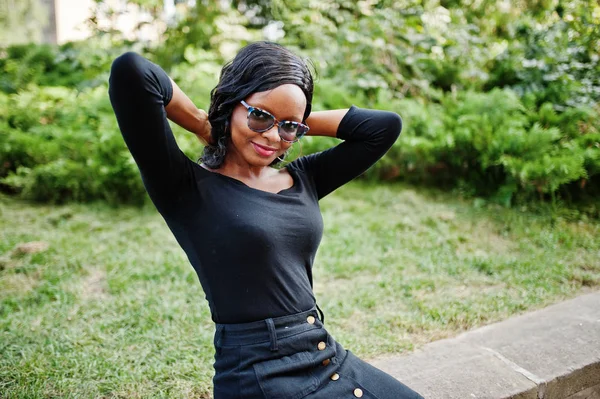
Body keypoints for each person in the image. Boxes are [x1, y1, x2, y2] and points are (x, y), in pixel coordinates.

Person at [109, 41, 423, 399]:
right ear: (231, 106)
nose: (273, 137)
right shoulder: (185, 186)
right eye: (259, 116)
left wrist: (292, 117)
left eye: (289, 128)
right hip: (258, 372)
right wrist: (206, 122)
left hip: (325, 355)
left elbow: (383, 127)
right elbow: (132, 72)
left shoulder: (304, 177)